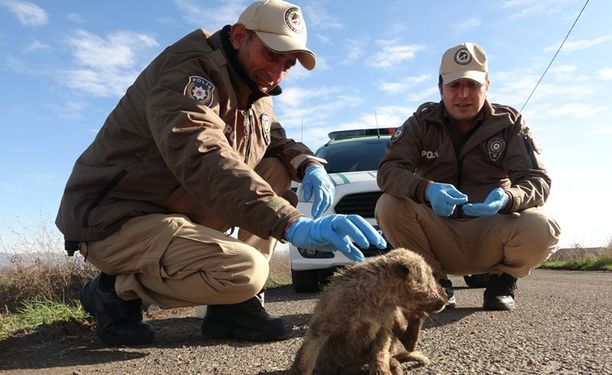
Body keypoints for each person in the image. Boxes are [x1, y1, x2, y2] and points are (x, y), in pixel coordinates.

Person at [56, 0, 386, 346]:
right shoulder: (187, 71)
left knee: (273, 168)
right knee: (247, 271)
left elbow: (274, 140)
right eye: (272, 55)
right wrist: (290, 222)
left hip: (176, 213)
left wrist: (308, 164)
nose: (276, 73)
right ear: (241, 36)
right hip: (117, 220)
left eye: (287, 65)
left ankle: (233, 307)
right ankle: (113, 289)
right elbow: (202, 154)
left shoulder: (256, 91)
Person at [375, 42, 561, 311]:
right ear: (440, 88)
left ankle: (502, 281)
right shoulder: (420, 122)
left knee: (543, 225)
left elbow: (538, 181)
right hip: (438, 233)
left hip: (492, 231)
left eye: (472, 85)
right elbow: (388, 171)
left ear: (487, 84)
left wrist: (509, 198)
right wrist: (425, 189)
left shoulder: (509, 123)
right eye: (454, 85)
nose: (463, 94)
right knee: (388, 205)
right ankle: (435, 283)